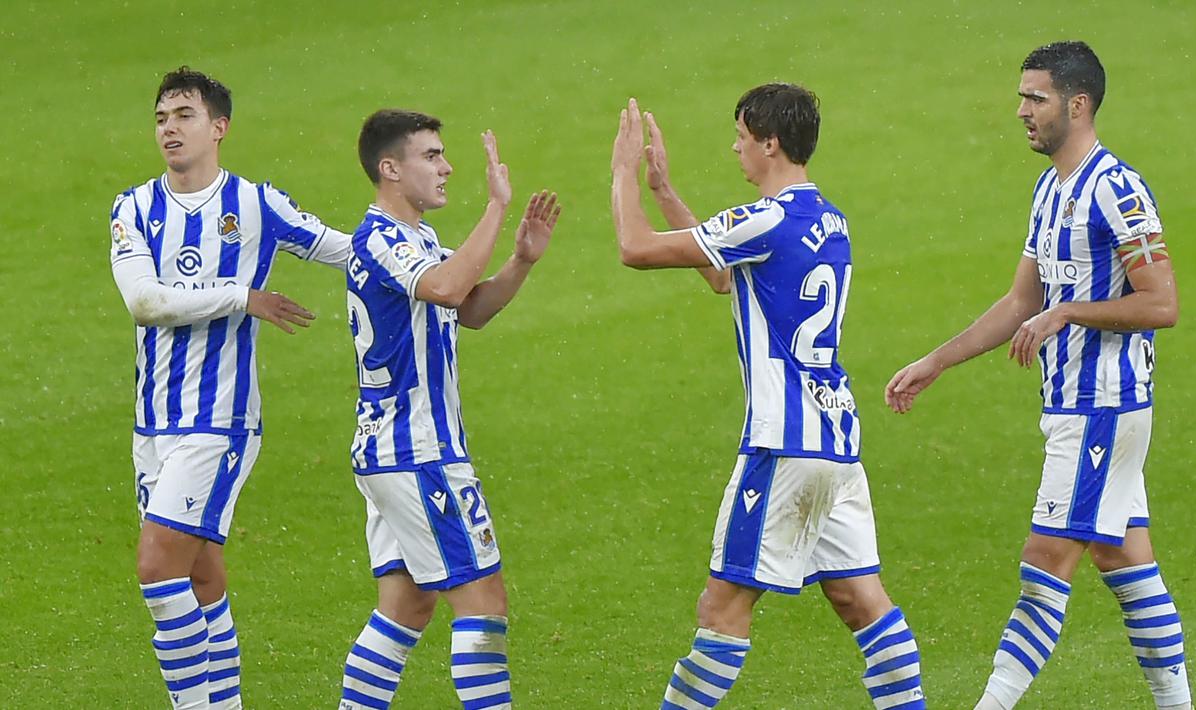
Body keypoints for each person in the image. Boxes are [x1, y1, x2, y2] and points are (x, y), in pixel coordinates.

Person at [885, 41, 1189, 710]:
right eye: (1022, 96)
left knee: (1043, 567)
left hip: (1101, 407)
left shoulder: (1116, 190)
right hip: (1077, 408)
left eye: (1035, 98)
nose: (1021, 110)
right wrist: (937, 360)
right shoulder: (1050, 189)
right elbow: (1023, 301)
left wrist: (1069, 311)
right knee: (1124, 560)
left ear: (1077, 105)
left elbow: (1161, 304)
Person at [611, 86, 926, 709]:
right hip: (836, 442)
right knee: (861, 601)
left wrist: (622, 174)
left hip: (783, 445)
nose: (735, 148)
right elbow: (723, 276)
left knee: (721, 610)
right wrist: (665, 192)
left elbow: (634, 249)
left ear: (770, 143)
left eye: (741, 136)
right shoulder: (829, 220)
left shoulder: (764, 218)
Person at [110, 67, 351, 708]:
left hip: (218, 422)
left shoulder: (256, 205)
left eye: (184, 115)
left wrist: (443, 268)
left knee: (157, 569)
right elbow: (144, 302)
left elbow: (346, 250)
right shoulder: (132, 208)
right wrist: (242, 296)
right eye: (162, 118)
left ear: (219, 128)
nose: (170, 129)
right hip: (151, 426)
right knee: (199, 577)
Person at [336, 109, 560, 710]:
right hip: (418, 452)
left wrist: (521, 261)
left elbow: (470, 307)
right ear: (390, 169)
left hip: (396, 452)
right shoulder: (380, 238)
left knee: (406, 606)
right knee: (483, 603)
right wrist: (496, 208)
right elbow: (444, 287)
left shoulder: (419, 239)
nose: (447, 167)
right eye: (431, 156)